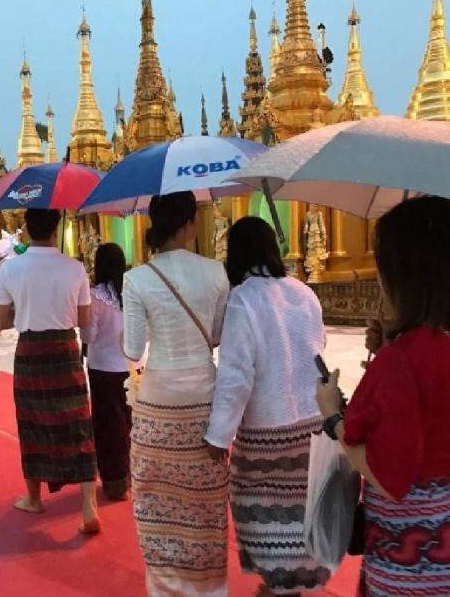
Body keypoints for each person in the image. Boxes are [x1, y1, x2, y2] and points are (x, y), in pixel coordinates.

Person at [317, 196, 450, 597]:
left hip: (409, 557)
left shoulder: (400, 362)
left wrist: (331, 415)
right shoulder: (426, 347)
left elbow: (386, 474)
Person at [205, 217, 330, 597]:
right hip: (312, 423)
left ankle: (279, 586)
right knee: (302, 511)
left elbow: (236, 375)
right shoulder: (304, 292)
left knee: (264, 509)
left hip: (267, 431)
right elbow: (319, 349)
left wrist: (217, 435)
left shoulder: (243, 299)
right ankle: (295, 584)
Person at [122, 191, 230, 597]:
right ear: (188, 225)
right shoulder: (216, 271)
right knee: (204, 507)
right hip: (204, 402)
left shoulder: (137, 279)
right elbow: (217, 336)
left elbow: (133, 350)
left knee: (157, 502)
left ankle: (166, 588)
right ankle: (211, 589)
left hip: (158, 405)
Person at [0, 209, 100, 534]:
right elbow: (82, 320)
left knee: (32, 422)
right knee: (78, 421)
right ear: (56, 228)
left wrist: (26, 309)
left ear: (26, 230)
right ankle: (88, 504)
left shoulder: (9, 269)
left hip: (30, 352)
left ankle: (34, 497)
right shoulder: (75, 267)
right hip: (66, 349)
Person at [80, 243, 137, 501]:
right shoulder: (129, 293)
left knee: (108, 427)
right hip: (129, 367)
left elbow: (89, 335)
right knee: (128, 423)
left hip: (102, 369)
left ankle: (115, 481)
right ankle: (131, 476)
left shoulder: (95, 297)